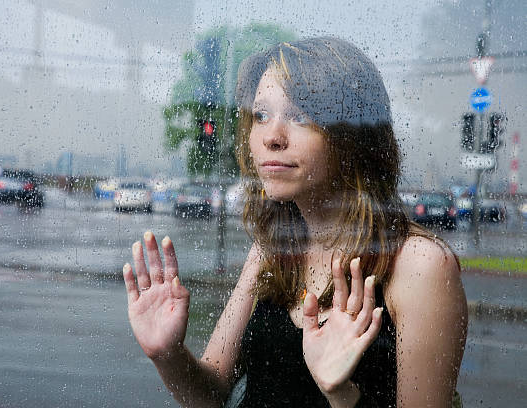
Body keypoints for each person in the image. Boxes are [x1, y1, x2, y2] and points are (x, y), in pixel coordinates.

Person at [122, 37, 468, 407]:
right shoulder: (272, 249)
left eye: (301, 116)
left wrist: (341, 394)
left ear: (352, 136)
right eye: (261, 115)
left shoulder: (419, 266)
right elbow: (212, 396)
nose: (271, 136)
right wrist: (167, 354)